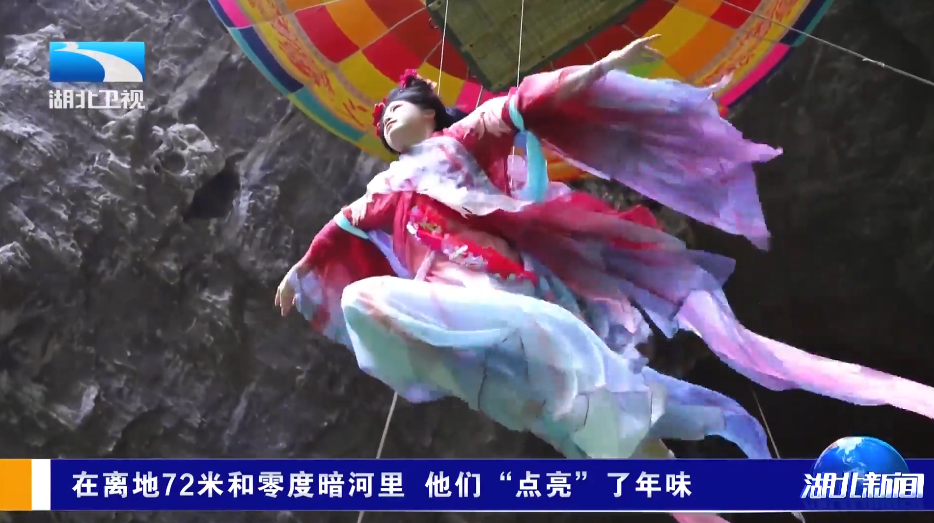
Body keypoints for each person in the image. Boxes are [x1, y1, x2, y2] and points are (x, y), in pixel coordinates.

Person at [276, 32, 934, 494]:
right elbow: (334, 237)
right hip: (450, 298)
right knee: (373, 307)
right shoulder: (379, 192)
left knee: (581, 387)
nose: (387, 119)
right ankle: (654, 460)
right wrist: (297, 275)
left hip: (505, 281)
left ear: (429, 112)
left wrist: (610, 63)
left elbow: (528, 99)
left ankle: (666, 450)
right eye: (383, 119)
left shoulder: (461, 141)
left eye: (397, 107)